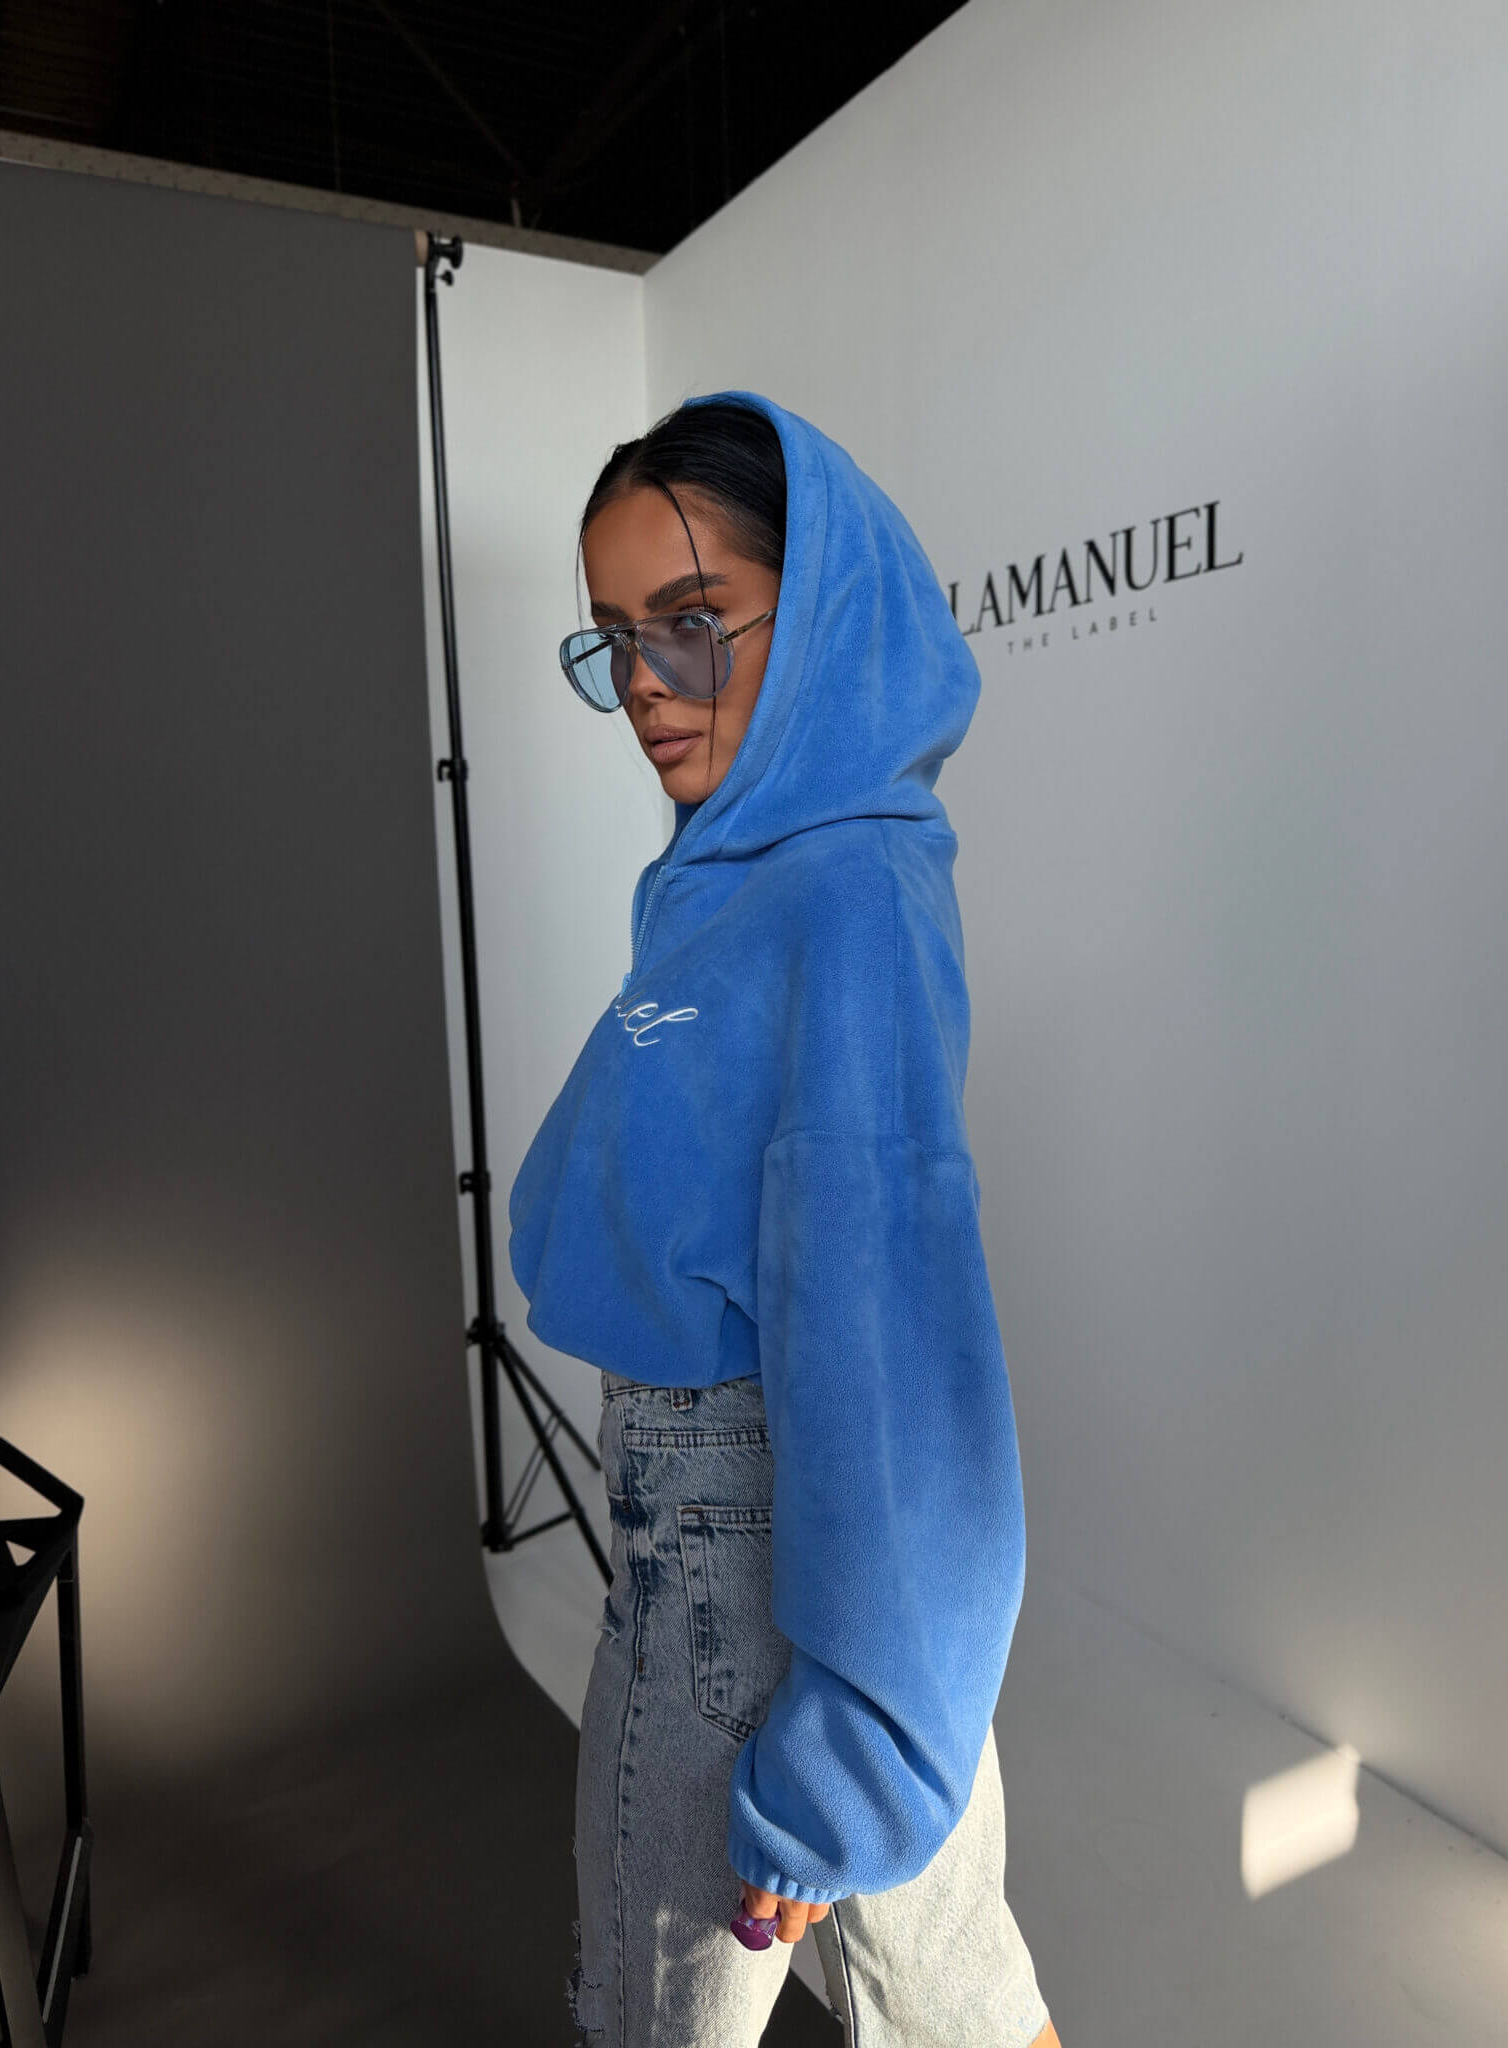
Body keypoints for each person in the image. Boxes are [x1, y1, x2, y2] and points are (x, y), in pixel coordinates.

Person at [507, 389, 1060, 2048]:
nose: (644, 684)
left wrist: (854, 1750)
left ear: (816, 612)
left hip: (741, 1557)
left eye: (692, 622)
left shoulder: (840, 894)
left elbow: (891, 1347)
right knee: (959, 2004)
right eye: (616, 640)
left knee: (656, 2021)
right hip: (796, 1561)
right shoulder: (734, 880)